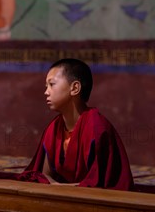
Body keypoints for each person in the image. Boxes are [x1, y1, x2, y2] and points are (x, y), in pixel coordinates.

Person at [21, 59, 134, 190]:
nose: (46, 92)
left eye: (51, 84)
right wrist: (58, 186)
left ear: (75, 88)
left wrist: (61, 188)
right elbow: (44, 175)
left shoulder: (96, 127)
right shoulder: (54, 128)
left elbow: (99, 182)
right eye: (46, 86)